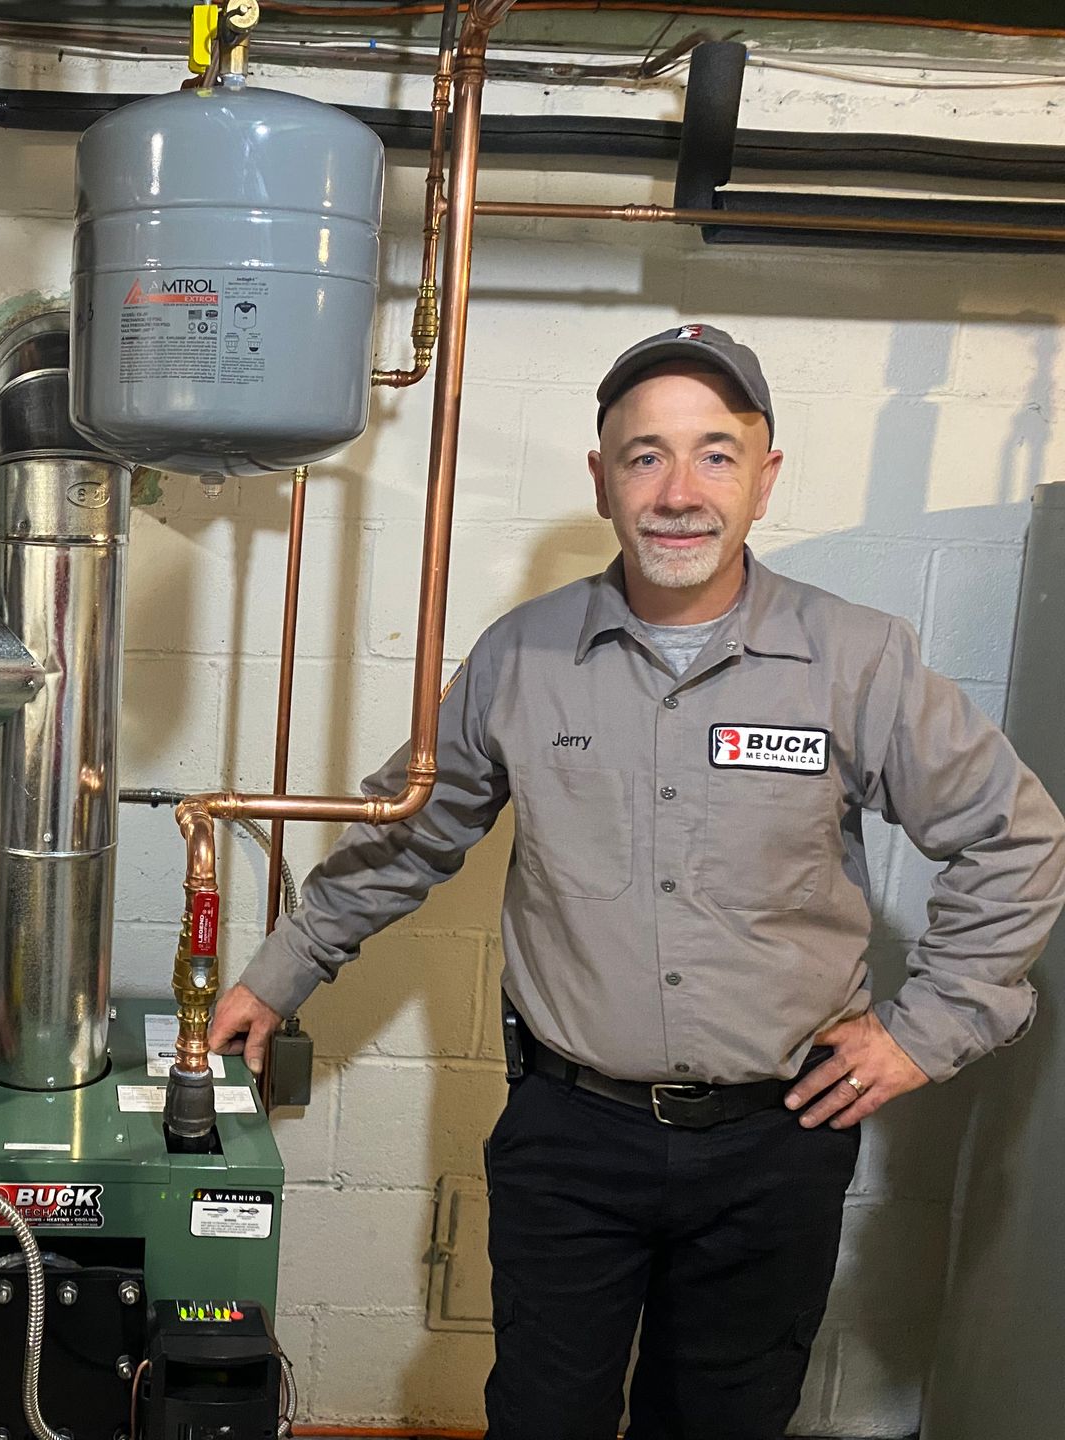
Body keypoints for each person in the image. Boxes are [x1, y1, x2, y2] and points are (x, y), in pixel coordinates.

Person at [209, 324, 1065, 1440]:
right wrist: (277, 978)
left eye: (716, 453)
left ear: (766, 479)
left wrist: (928, 1028)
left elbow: (1017, 837)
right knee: (543, 1415)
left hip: (777, 1142)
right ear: (603, 481)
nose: (679, 490)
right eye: (644, 455)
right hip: (572, 1137)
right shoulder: (520, 660)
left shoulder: (860, 661)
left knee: (723, 1419)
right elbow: (411, 838)